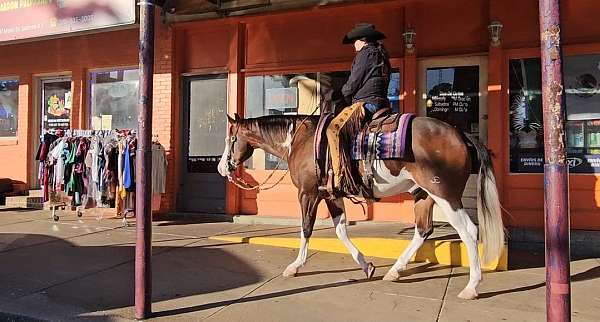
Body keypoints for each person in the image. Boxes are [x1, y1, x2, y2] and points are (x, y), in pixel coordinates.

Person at [321, 23, 392, 196]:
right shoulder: (382, 55)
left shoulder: (366, 53)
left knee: (333, 130)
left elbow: (354, 82)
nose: (354, 45)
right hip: (381, 102)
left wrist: (338, 95)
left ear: (363, 40)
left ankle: (340, 178)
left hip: (366, 103)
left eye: (355, 41)